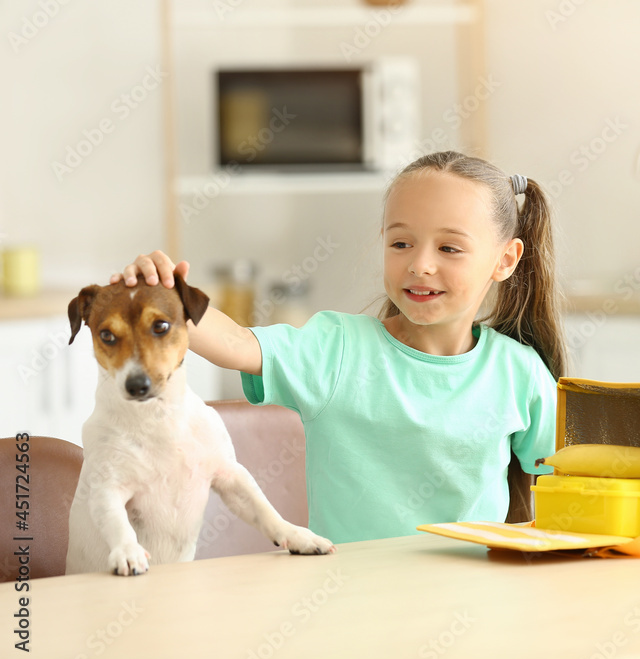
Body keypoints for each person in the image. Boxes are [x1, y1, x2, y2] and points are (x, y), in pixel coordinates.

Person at [113, 151, 565, 544]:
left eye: (449, 248)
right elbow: (235, 343)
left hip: (471, 609)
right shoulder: (337, 349)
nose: (420, 264)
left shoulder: (519, 373)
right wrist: (164, 295)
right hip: (346, 607)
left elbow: (573, 488)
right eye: (401, 243)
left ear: (505, 260)